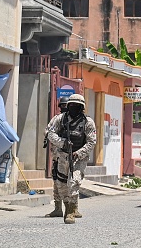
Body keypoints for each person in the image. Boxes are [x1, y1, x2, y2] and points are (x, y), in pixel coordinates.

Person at [45, 94, 96, 224]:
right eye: (71, 105)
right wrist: (63, 143)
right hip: (62, 155)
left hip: (79, 158)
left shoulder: (88, 122)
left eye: (77, 105)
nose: (73, 107)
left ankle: (71, 212)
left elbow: (91, 142)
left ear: (82, 107)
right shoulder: (60, 119)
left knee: (74, 182)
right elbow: (50, 133)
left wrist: (79, 153)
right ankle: (66, 207)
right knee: (61, 185)